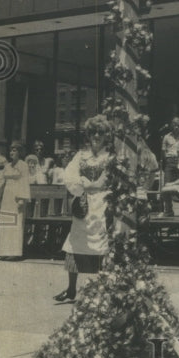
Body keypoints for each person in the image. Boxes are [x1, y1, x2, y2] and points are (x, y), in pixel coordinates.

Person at [54, 115, 115, 303]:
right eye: (93, 132)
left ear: (106, 135)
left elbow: (108, 180)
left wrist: (94, 185)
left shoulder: (110, 156)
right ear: (88, 135)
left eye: (101, 132)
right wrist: (82, 184)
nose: (97, 135)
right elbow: (70, 176)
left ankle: (103, 290)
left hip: (103, 204)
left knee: (103, 245)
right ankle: (71, 289)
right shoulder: (81, 156)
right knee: (75, 243)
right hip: (84, 204)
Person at [0, 141, 31, 259]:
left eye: (14, 150)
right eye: (11, 150)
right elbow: (1, 181)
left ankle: (14, 252)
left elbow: (24, 182)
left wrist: (22, 199)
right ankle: (4, 251)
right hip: (7, 196)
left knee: (15, 222)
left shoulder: (23, 165)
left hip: (17, 197)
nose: (11, 152)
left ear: (20, 152)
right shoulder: (7, 166)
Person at [161, 118, 179, 216]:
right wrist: (168, 162)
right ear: (172, 126)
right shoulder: (166, 137)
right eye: (174, 125)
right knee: (166, 186)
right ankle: (168, 210)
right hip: (170, 161)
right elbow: (163, 152)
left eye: (178, 125)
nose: (176, 127)